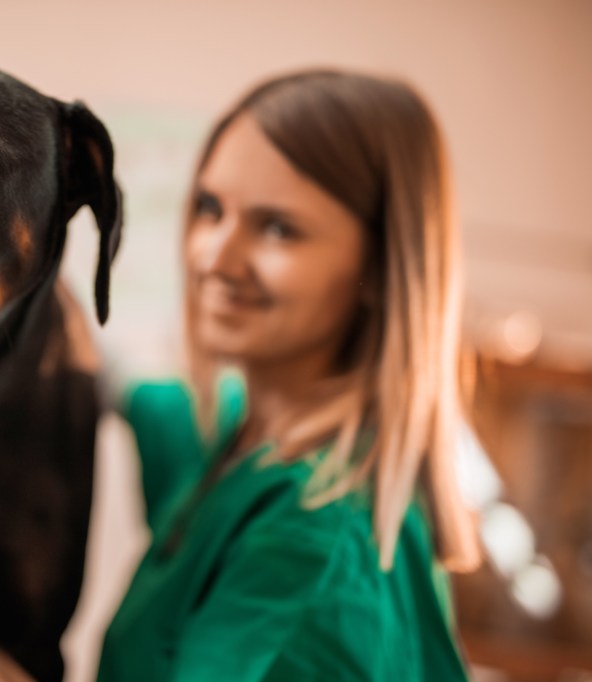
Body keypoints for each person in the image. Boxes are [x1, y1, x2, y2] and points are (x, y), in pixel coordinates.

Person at [95, 69, 481, 681]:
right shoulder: (237, 433)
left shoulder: (311, 553)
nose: (213, 256)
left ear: (379, 270)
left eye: (278, 228)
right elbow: (140, 391)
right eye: (209, 208)